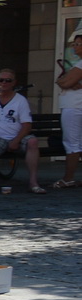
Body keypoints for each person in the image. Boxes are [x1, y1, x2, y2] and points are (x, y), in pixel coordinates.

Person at [0, 68, 42, 193]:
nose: (4, 83)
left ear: (14, 83)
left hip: (18, 135)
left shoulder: (20, 100)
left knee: (33, 142)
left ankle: (33, 182)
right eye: (1, 80)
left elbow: (27, 125)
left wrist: (16, 140)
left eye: (8, 80)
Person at [56, 31, 82, 189]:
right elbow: (62, 80)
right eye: (74, 44)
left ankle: (68, 178)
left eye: (78, 44)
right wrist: (66, 81)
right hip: (75, 105)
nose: (74, 47)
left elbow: (63, 82)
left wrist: (67, 82)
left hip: (75, 107)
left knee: (72, 143)